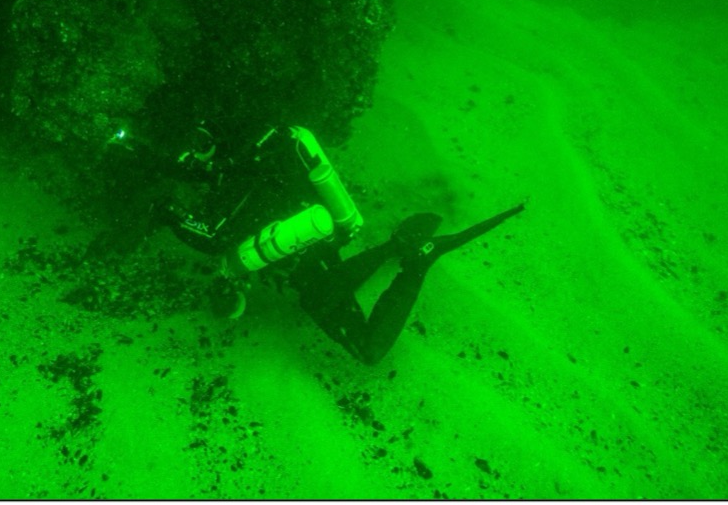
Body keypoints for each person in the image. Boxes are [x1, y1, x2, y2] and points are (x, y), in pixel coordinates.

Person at [149, 121, 525, 365]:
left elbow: (218, 251)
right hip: (320, 244)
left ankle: (415, 259)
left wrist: (165, 210)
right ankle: (398, 247)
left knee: (369, 350)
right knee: (329, 274)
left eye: (199, 147)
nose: (198, 159)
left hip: (313, 271)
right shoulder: (257, 162)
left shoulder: (228, 202)